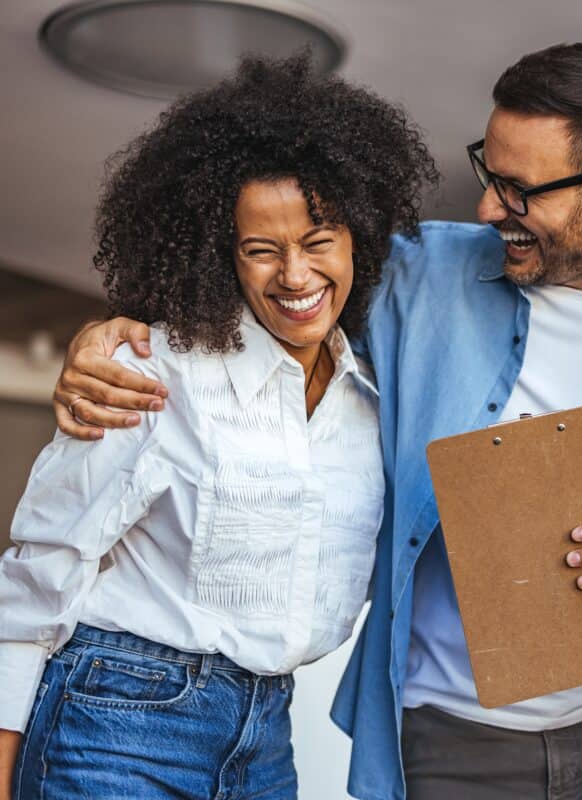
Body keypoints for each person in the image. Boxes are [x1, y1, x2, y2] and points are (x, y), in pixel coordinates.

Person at [52, 43, 582, 800]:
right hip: (446, 745)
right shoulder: (412, 275)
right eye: (489, 172)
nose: (488, 208)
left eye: (519, 191)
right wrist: (119, 332)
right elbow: (271, 291)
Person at [0, 54, 437, 799]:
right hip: (116, 723)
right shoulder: (153, 372)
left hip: (265, 739)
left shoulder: (371, 399)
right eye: (261, 250)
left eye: (318, 241)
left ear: (358, 238)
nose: (294, 275)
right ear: (220, 257)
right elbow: (36, 577)